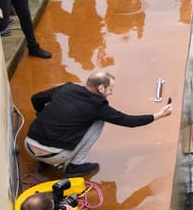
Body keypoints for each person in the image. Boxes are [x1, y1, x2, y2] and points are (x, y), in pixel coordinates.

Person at [26, 71, 175, 177]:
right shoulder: (98, 106)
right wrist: (159, 115)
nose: (111, 93)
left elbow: (35, 98)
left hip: (28, 145)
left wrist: (41, 113)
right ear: (101, 88)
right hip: (55, 155)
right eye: (110, 89)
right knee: (98, 121)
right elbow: (128, 121)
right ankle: (76, 165)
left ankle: (43, 162)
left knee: (53, 115)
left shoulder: (67, 88)